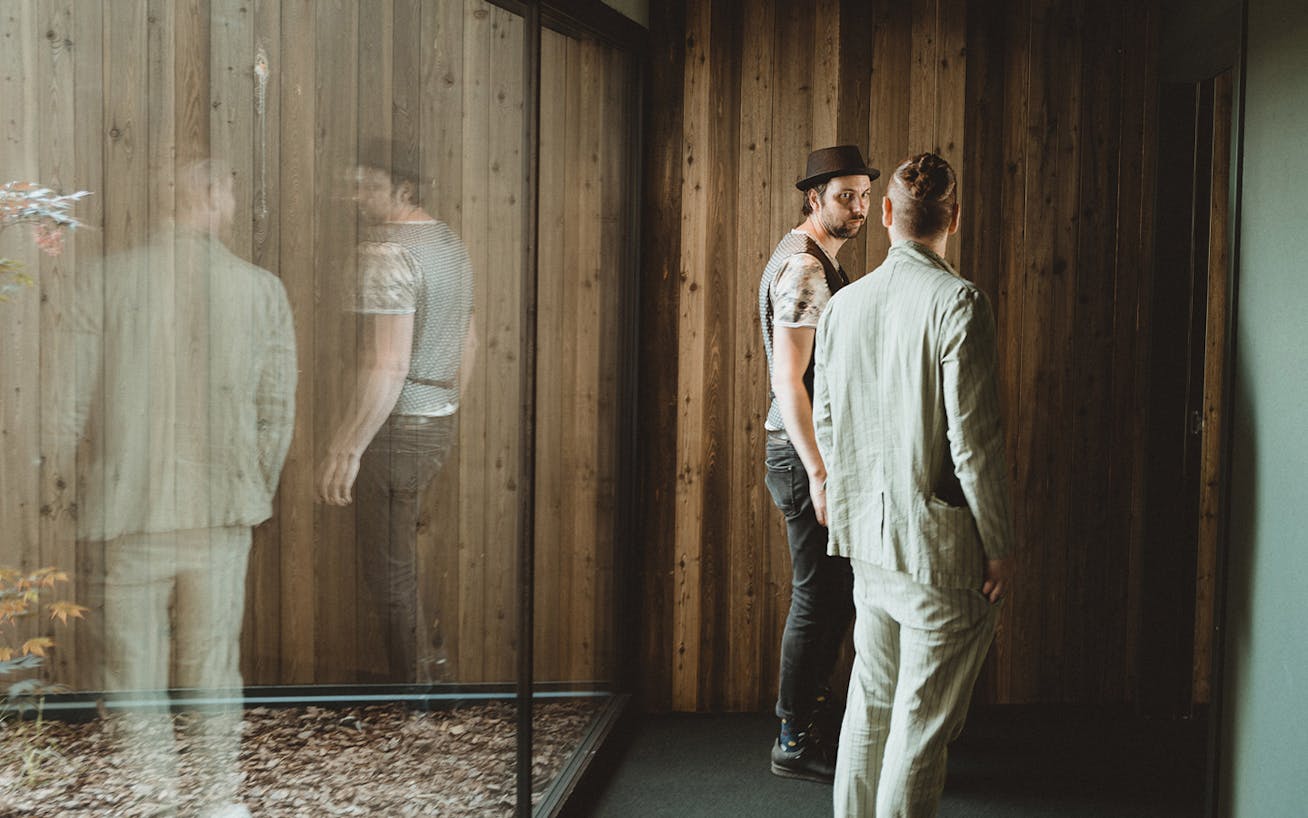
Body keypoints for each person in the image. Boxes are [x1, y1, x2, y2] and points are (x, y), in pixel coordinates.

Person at [74, 159, 297, 818]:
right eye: (228, 189)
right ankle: (217, 799)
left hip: (127, 510)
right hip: (220, 510)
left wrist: (67, 483)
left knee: (132, 665)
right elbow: (275, 408)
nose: (231, 200)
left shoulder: (104, 280)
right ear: (211, 199)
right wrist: (252, 488)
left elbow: (64, 406)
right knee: (211, 663)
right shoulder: (261, 290)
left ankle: (152, 795)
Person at [813, 152, 1015, 817]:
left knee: (869, 707)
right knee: (920, 727)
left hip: (869, 542)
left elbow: (828, 423)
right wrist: (999, 543)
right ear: (953, 216)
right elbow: (976, 443)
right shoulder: (959, 302)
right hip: (937, 549)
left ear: (891, 214)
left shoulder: (846, 308)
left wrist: (842, 514)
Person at [317, 149, 476, 685]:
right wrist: (447, 405)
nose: (355, 197)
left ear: (404, 189)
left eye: (366, 185)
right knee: (407, 557)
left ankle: (417, 699)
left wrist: (347, 444)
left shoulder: (386, 251)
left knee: (390, 571)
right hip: (437, 420)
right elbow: (469, 338)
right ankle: (436, 678)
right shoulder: (450, 244)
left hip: (394, 427)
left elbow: (387, 362)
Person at [759, 145, 879, 783]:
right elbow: (789, 380)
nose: (858, 209)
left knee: (831, 597)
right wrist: (820, 470)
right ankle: (793, 738)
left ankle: (809, 723)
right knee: (818, 597)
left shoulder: (809, 257)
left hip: (809, 452)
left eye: (864, 196)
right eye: (845, 197)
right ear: (815, 198)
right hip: (806, 454)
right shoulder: (806, 269)